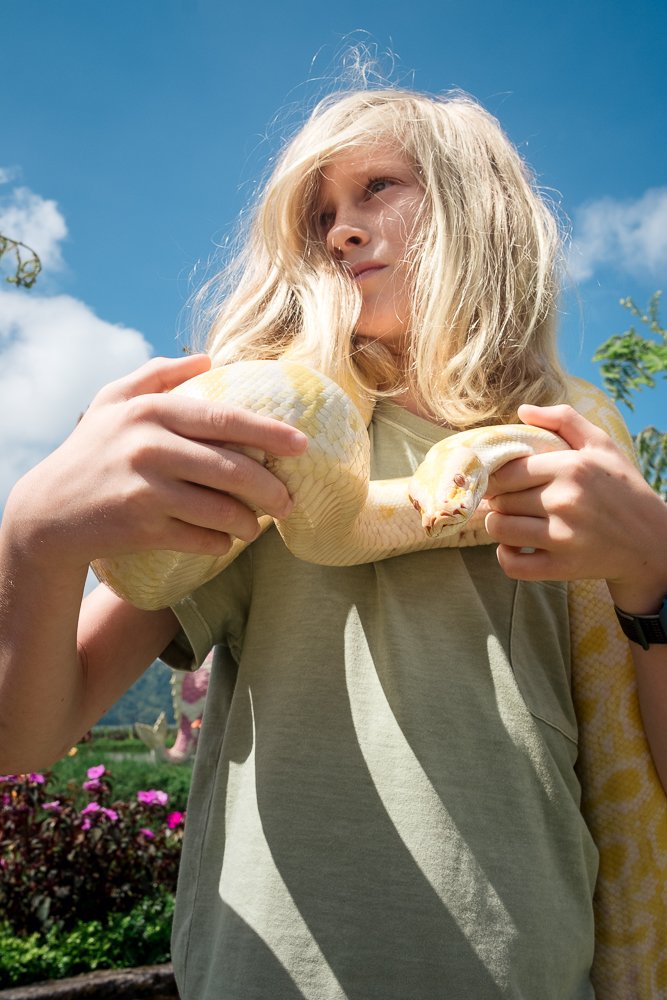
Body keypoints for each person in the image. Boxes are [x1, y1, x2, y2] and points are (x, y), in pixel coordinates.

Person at [1, 86, 666, 1000]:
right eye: (318, 215)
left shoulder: (577, 451)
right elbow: (24, 737)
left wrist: (653, 576)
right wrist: (33, 536)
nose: (340, 231)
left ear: (480, 205)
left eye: (377, 188)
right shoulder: (259, 438)